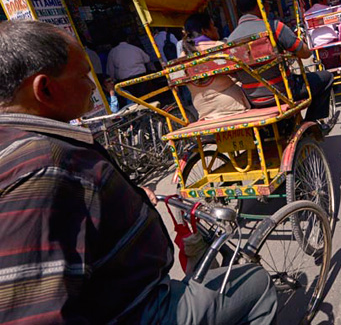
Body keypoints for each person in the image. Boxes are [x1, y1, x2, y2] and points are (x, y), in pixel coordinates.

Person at [0, 20, 277, 324]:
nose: (93, 86)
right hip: (138, 309)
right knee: (256, 284)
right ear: (46, 89)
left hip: (123, 293)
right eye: (83, 76)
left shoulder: (26, 145)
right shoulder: (45, 166)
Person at [229, 0, 334, 123]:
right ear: (260, 4)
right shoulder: (273, 27)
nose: (268, 6)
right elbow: (305, 53)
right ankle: (310, 122)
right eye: (267, 3)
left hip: (252, 99)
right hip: (282, 93)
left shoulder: (230, 40)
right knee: (326, 77)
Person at [180, 13, 250, 120]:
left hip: (203, 110)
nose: (216, 29)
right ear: (204, 31)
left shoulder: (182, 57)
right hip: (232, 104)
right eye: (213, 25)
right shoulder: (219, 47)